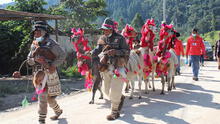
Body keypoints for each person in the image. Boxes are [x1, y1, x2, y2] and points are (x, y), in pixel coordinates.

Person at [27, 21, 66, 124]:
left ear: (44, 32)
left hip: (49, 74)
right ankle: (52, 115)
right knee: (45, 97)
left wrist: (52, 65)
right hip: (38, 75)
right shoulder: (34, 44)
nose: (36, 34)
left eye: (38, 31)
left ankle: (46, 118)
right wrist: (35, 60)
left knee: (47, 97)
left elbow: (62, 55)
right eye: (35, 32)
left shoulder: (51, 44)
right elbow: (29, 59)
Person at [91, 17, 130, 120]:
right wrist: (92, 52)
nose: (104, 31)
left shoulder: (120, 38)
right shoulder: (102, 38)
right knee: (106, 90)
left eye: (106, 29)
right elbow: (98, 48)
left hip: (118, 67)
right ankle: (120, 98)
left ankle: (114, 112)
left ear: (112, 29)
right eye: (103, 29)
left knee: (115, 90)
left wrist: (116, 52)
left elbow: (127, 51)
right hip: (106, 67)